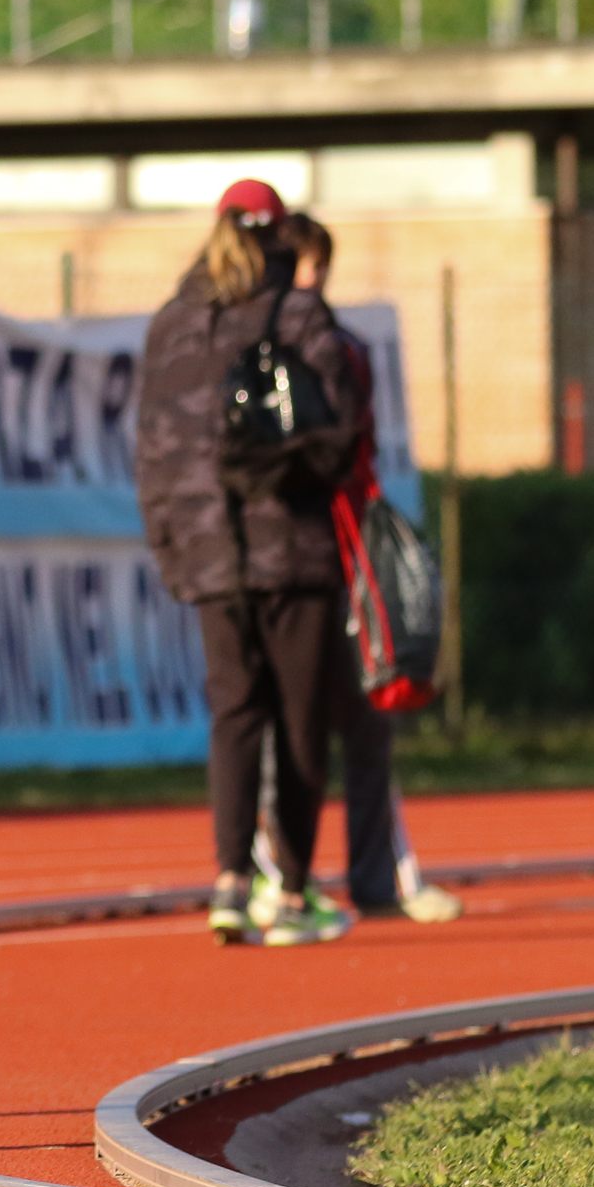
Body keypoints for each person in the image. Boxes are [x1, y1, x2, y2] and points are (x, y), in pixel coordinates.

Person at [135, 177, 360, 950]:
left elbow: (152, 451)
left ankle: (231, 880)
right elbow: (341, 429)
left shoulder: (171, 323)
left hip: (207, 552)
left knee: (234, 714)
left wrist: (170, 544)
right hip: (291, 543)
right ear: (281, 235)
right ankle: (290, 890)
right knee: (300, 722)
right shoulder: (298, 313)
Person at [249, 213, 463, 926]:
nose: (310, 283)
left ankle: (378, 877)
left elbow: (348, 443)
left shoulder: (341, 348)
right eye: (300, 268)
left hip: (345, 552)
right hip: (288, 559)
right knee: (290, 726)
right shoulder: (250, 347)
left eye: (317, 269)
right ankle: (280, 874)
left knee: (371, 711)